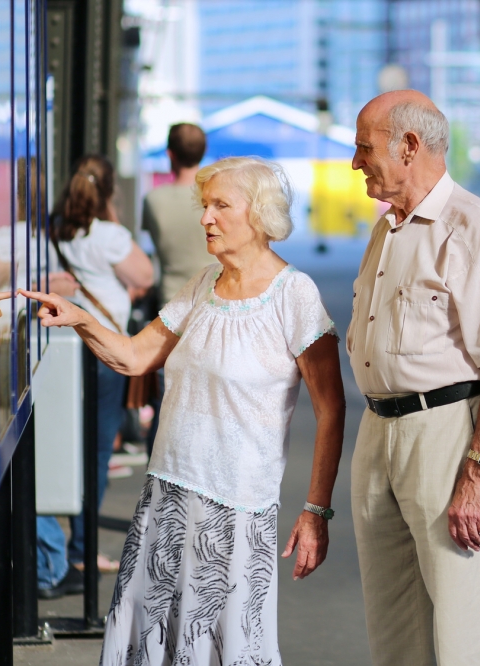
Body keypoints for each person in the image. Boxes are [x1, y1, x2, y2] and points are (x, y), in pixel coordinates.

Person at [21, 156, 345, 664]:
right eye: (205, 205)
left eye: (220, 205)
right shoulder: (202, 284)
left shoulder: (294, 295)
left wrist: (315, 511)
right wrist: (80, 318)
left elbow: (331, 409)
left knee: (226, 647)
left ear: (258, 215)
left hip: (234, 509)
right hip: (166, 497)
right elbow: (133, 357)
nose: (205, 218)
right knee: (154, 644)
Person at [347, 91, 480, 666]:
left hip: (445, 438)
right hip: (378, 435)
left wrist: (479, 474)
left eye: (364, 147)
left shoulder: (474, 227)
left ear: (409, 146)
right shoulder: (388, 231)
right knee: (394, 628)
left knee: (461, 631)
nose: (356, 162)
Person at [39, 154, 155, 592]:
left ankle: (62, 545)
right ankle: (83, 549)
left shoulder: (51, 228)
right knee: (96, 448)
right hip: (104, 349)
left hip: (62, 348)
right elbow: (144, 274)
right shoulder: (109, 234)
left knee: (58, 443)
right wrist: (112, 218)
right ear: (108, 194)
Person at [142, 122, 213, 308]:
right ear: (203, 152)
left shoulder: (153, 199)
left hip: (171, 300)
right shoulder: (217, 198)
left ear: (170, 154)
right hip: (215, 295)